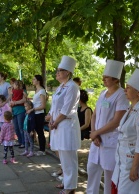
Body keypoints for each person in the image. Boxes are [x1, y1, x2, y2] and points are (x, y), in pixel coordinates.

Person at [87, 60, 129, 194]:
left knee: (109, 175)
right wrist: (94, 134)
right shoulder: (102, 93)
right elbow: (94, 115)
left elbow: (117, 121)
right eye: (103, 76)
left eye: (107, 77)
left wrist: (96, 133)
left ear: (116, 79)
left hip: (111, 140)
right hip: (97, 139)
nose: (103, 79)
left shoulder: (121, 95)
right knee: (92, 169)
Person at [49, 56, 81, 194]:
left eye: (60, 70)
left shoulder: (73, 87)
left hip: (66, 125)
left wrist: (55, 121)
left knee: (69, 158)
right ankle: (66, 182)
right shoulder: (60, 87)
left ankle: (70, 187)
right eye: (57, 70)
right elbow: (55, 106)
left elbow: (66, 108)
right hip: (58, 125)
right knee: (63, 157)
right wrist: (50, 117)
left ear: (68, 72)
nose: (57, 73)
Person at [112, 69, 139, 193]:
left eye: (129, 88)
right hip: (123, 160)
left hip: (131, 161)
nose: (125, 90)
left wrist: (134, 167)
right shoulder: (131, 108)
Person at [28, 75, 47, 156]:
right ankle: (37, 148)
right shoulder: (37, 90)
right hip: (34, 113)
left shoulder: (42, 91)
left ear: (38, 81)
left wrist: (33, 109)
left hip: (39, 114)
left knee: (40, 132)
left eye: (34, 79)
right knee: (34, 130)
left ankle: (42, 150)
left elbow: (43, 106)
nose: (32, 80)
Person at [9, 80, 26, 148]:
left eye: (14, 84)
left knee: (20, 127)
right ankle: (20, 140)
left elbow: (24, 99)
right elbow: (11, 98)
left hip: (20, 110)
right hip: (14, 110)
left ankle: (24, 142)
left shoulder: (22, 91)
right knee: (16, 127)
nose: (13, 86)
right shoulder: (14, 91)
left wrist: (15, 102)